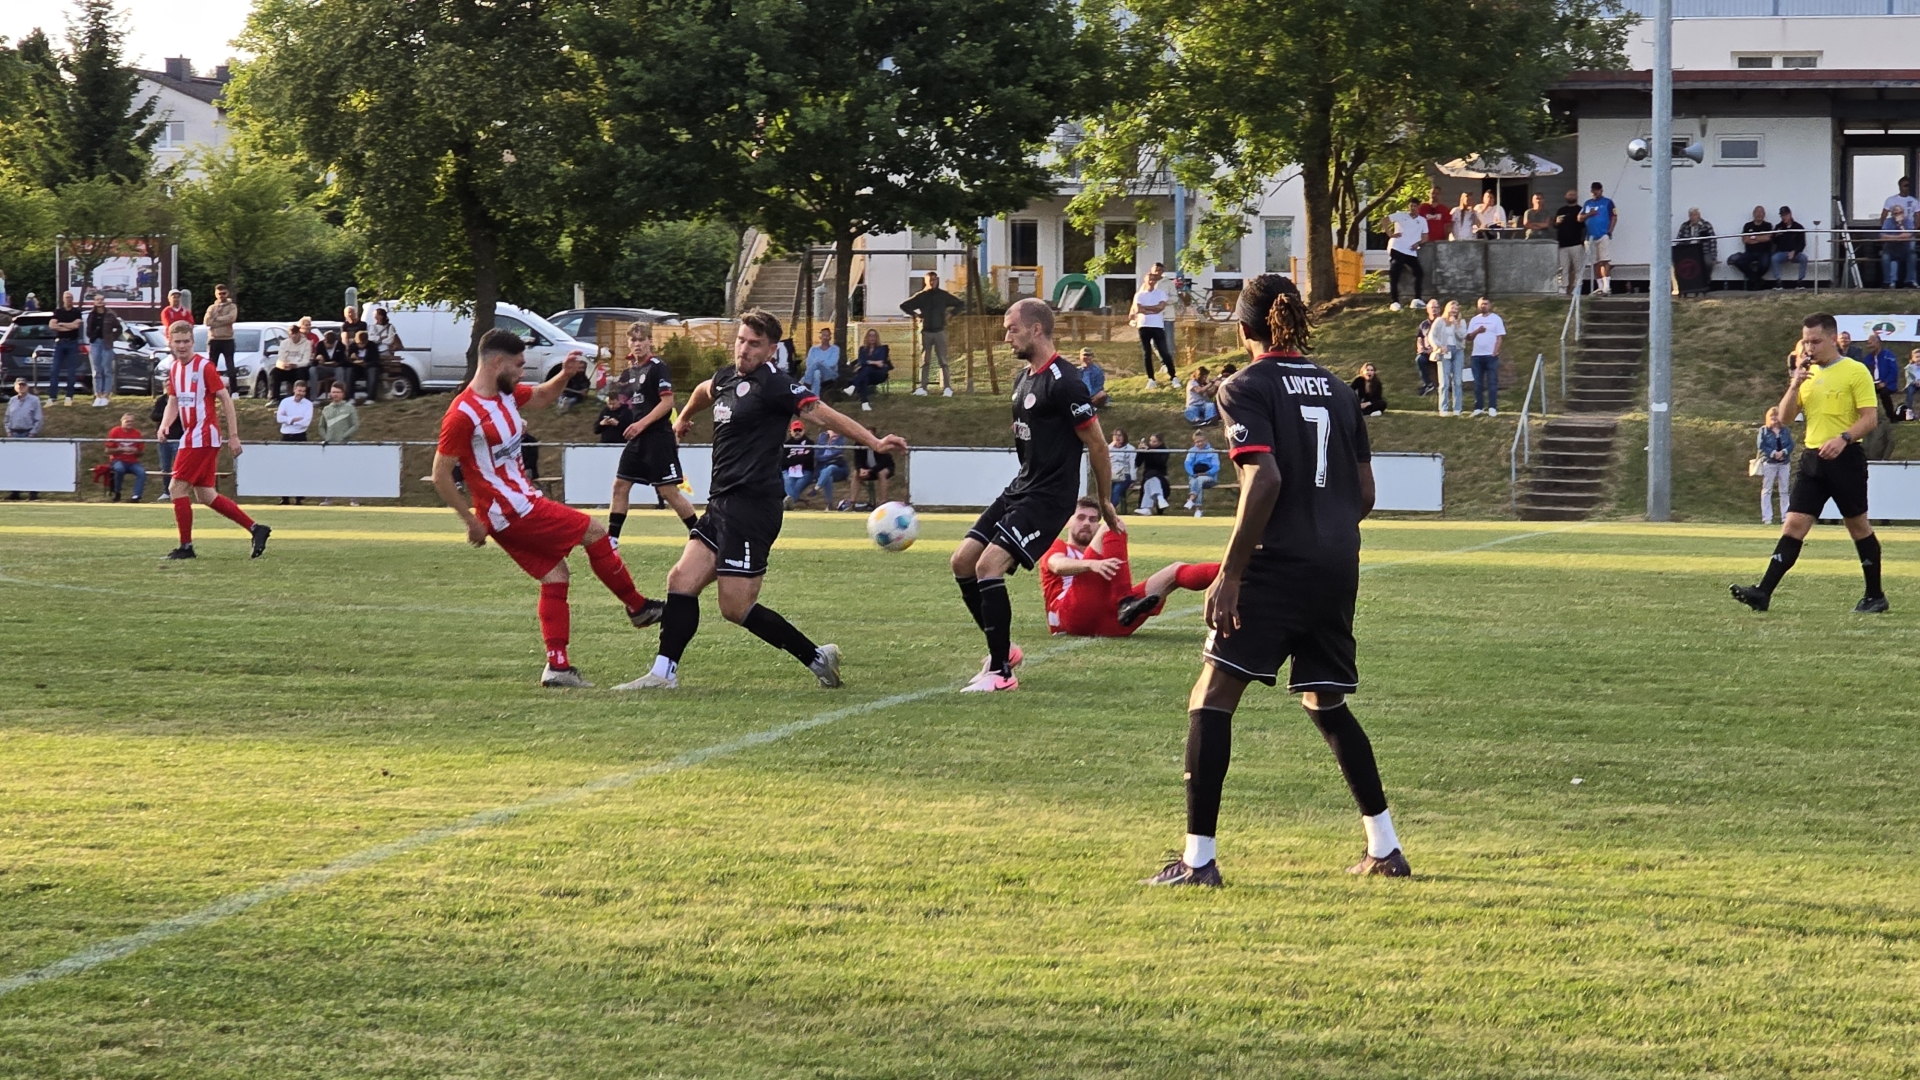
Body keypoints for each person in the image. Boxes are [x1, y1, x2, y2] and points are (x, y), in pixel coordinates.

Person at [1144, 272, 1405, 888]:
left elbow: (1264, 479)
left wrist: (1231, 574)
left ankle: (1198, 861)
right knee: (1325, 701)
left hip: (1276, 564)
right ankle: (1385, 848)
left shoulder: (1243, 387)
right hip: (1337, 565)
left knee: (1211, 697)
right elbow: (1365, 492)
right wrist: (1325, 531)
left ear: (1244, 328)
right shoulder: (1341, 390)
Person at [620, 309, 907, 691]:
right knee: (681, 580)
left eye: (754, 344)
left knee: (734, 607)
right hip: (721, 503)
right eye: (741, 340)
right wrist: (683, 417)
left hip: (753, 508)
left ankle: (816, 657)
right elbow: (704, 390)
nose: (744, 349)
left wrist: (873, 441)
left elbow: (822, 414)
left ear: (771, 350)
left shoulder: (776, 385)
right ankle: (663, 674)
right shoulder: (726, 377)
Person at [431, 330, 663, 687]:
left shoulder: (504, 394)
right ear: (497, 363)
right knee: (594, 531)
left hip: (511, 509)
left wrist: (566, 374)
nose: (522, 372)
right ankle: (637, 607)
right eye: (518, 365)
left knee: (555, 575)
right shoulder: (463, 414)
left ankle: (557, 667)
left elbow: (541, 397)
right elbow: (440, 473)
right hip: (513, 509)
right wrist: (469, 521)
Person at [950, 297, 1119, 693]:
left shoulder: (1066, 382)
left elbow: (1097, 444)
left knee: (988, 566)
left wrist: (1105, 500)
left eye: (1012, 329)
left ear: (1036, 329)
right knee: (962, 562)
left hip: (1049, 498)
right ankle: (1004, 651)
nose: (1006, 337)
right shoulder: (1022, 380)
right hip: (1022, 488)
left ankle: (1001, 675)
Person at [1731, 312, 1886, 615]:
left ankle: (1875, 595)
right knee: (1793, 524)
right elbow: (1785, 418)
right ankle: (1763, 592)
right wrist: (1794, 385)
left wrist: (1843, 438)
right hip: (1813, 460)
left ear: (1833, 338)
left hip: (1846, 458)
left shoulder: (1855, 371)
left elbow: (1870, 419)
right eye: (1806, 342)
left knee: (1857, 526)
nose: (1810, 348)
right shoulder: (1806, 375)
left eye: (1816, 341)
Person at [157, 319, 271, 560]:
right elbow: (173, 401)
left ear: (193, 342)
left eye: (186, 341)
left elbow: (225, 399)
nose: (182, 346)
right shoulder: (175, 368)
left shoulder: (204, 367)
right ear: (170, 343)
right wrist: (165, 424)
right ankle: (256, 528)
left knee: (176, 488)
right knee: (206, 495)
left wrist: (234, 436)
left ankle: (186, 547)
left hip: (203, 436)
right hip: (192, 436)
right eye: (177, 342)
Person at [1039, 497, 1221, 637]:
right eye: (1081, 517)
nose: (1087, 523)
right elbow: (1057, 565)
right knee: (1113, 523)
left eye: (1093, 519)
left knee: (1175, 571)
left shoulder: (1101, 551)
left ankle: (1233, 571)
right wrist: (1091, 564)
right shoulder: (1058, 545)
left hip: (1112, 622)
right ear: (1068, 521)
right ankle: (1125, 601)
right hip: (1070, 617)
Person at [606, 323, 697, 541]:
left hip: (658, 437)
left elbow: (667, 402)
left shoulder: (658, 367)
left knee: (668, 492)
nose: (637, 344)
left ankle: (703, 535)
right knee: (620, 486)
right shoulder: (629, 372)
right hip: (638, 439)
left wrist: (641, 424)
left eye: (641, 339)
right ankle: (611, 542)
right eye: (633, 340)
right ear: (628, 342)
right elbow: (628, 403)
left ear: (650, 341)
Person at [900, 271, 964, 396]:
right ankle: (923, 388)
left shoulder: (943, 295)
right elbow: (904, 305)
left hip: (940, 330)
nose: (932, 282)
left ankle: (947, 387)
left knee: (943, 361)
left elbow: (960, 303)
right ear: (925, 281)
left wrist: (951, 314)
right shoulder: (921, 296)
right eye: (930, 280)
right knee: (925, 361)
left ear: (937, 280)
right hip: (926, 331)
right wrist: (915, 315)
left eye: (934, 279)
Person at [1132, 262, 1176, 387]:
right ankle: (1157, 371)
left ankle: (1170, 370)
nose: (1158, 272)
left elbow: (1172, 299)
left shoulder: (1168, 284)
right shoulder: (1143, 287)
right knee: (1151, 347)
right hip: (1146, 322)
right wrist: (1135, 315)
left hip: (1166, 317)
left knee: (1167, 344)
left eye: (1160, 270)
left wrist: (1163, 303)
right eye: (1156, 270)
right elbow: (1137, 305)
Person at [315, 383, 359, 506]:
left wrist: (344, 436)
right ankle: (328, 499)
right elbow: (321, 427)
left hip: (345, 445)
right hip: (330, 447)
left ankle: (353, 499)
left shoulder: (349, 408)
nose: (335, 394)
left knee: (348, 472)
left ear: (343, 394)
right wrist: (326, 438)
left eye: (338, 392)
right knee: (329, 472)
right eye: (333, 392)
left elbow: (355, 425)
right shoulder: (326, 409)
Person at [274, 381, 314, 505]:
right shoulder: (285, 402)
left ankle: (299, 497)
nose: (301, 393)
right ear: (294, 389)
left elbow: (306, 422)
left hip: (300, 436)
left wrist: (287, 420)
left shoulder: (308, 404)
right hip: (286, 436)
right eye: (299, 390)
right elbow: (279, 418)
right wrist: (293, 419)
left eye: (303, 391)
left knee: (300, 467)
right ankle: (284, 497)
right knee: (284, 467)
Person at [1465, 296, 1505, 416]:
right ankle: (1478, 407)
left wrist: (1495, 351)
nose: (1483, 306)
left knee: (1492, 382)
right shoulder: (1474, 320)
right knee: (1478, 383)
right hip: (1476, 356)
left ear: (1490, 305)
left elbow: (1500, 336)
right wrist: (1477, 331)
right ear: (1478, 306)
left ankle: (1492, 407)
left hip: (1490, 356)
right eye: (1481, 304)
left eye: (1486, 304)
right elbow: (1469, 337)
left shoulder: (1496, 319)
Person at [6, 378, 43, 501]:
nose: (21, 387)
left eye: (23, 385)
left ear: (27, 386)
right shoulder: (12, 400)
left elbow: (38, 418)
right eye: (19, 385)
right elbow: (7, 418)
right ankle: (15, 492)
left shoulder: (34, 400)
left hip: (28, 433)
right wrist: (8, 431)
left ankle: (33, 492)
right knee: (15, 465)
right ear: (15, 387)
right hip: (14, 434)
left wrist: (33, 432)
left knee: (31, 464)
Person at [1386, 196, 1426, 308]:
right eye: (1411, 206)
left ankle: (1417, 300)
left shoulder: (1422, 220)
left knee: (1419, 273)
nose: (1413, 208)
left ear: (1418, 207)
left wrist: (1418, 243)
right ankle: (1394, 301)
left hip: (1410, 252)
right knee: (1395, 273)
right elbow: (1384, 220)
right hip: (1397, 248)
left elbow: (1425, 237)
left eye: (1415, 206)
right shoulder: (1401, 215)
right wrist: (1389, 233)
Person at [1579, 182, 1618, 295]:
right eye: (1593, 190)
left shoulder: (1608, 202)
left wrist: (1609, 231)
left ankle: (1607, 286)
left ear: (1601, 190)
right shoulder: (1587, 203)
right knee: (1594, 262)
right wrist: (1589, 214)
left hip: (1602, 235)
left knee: (1604, 260)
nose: (1594, 192)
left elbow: (1614, 217)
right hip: (1590, 237)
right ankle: (1600, 286)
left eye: (1597, 190)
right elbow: (1579, 218)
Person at [1431, 299, 1468, 417]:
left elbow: (1463, 336)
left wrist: (1456, 326)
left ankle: (1457, 409)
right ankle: (1443, 408)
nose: (1454, 311)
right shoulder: (1440, 321)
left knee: (1457, 381)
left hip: (1458, 351)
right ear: (1447, 309)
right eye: (1452, 308)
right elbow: (1431, 336)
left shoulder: (1461, 322)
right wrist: (1439, 346)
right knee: (1444, 381)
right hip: (1444, 351)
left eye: (1456, 309)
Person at [1757, 407, 1793, 526]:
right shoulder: (1764, 430)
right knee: (1767, 490)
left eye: (1776, 415)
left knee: (1784, 490)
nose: (1774, 418)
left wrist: (1784, 452)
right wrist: (1773, 453)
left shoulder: (1785, 430)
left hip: (1784, 463)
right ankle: (1767, 518)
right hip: (1769, 462)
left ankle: (1785, 517)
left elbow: (1791, 444)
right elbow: (1761, 445)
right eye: (1772, 416)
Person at [85, 294, 122, 407]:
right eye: (97, 300)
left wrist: (112, 337)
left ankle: (106, 394)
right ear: (94, 302)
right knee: (97, 370)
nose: (99, 301)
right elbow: (88, 330)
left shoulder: (110, 314)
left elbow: (119, 328)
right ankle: (98, 394)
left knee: (107, 369)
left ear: (104, 301)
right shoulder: (91, 315)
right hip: (95, 343)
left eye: (101, 299)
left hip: (107, 344)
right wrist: (92, 336)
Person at [49, 291, 83, 406]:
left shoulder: (77, 312)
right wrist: (68, 326)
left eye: (70, 297)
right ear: (63, 299)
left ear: (72, 299)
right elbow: (52, 325)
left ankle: (69, 397)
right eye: (66, 297)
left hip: (72, 343)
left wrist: (61, 324)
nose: (68, 299)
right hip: (60, 343)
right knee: (55, 370)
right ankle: (52, 397)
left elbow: (76, 325)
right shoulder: (58, 312)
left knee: (71, 371)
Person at [845, 328, 892, 410]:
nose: (872, 338)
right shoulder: (862, 349)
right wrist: (874, 362)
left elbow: (880, 363)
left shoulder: (882, 349)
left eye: (874, 336)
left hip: (879, 374)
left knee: (866, 369)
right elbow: (861, 361)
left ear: (877, 337)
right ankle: (865, 403)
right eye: (870, 336)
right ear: (866, 337)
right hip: (866, 375)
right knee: (864, 376)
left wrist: (868, 362)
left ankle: (853, 386)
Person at [1552, 190, 1587, 296]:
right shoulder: (1561, 210)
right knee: (1563, 268)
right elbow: (1554, 225)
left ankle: (1577, 288)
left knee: (1578, 268)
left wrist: (1583, 240)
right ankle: (1562, 288)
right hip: (1563, 244)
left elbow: (1584, 226)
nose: (1571, 196)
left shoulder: (1580, 210)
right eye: (1569, 195)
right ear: (1565, 196)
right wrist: (1557, 222)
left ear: (1576, 196)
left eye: (1573, 195)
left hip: (1576, 244)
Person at [1730, 205, 1774, 287]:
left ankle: (1754, 280)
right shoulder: (1748, 226)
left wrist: (1753, 237)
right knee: (1739, 262)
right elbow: (1745, 240)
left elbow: (1767, 238)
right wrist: (1760, 238)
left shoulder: (1768, 225)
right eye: (1757, 212)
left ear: (1764, 214)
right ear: (1753, 214)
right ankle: (1757, 280)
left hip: (1764, 252)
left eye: (1761, 212)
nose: (1759, 214)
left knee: (1764, 265)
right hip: (1750, 252)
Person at [106, 413, 146, 502]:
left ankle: (136, 496)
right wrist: (121, 449)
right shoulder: (115, 431)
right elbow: (107, 450)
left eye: (132, 421)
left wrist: (136, 451)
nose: (130, 423)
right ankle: (117, 492)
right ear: (122, 422)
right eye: (127, 421)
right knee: (119, 469)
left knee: (141, 472)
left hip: (132, 461)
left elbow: (141, 452)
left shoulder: (137, 433)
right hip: (117, 459)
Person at [203, 284, 238, 385]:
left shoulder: (232, 306)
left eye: (223, 293)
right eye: (219, 293)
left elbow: (231, 319)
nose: (221, 295)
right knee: (212, 366)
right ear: (216, 294)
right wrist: (222, 320)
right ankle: (210, 387)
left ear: (227, 293)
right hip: (214, 339)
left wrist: (216, 319)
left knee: (230, 366)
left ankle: (233, 390)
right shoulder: (212, 308)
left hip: (227, 339)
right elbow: (207, 322)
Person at [272, 322, 313, 401]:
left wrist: (295, 365)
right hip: (286, 368)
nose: (293, 336)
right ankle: (275, 398)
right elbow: (281, 358)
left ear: (299, 333)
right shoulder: (284, 343)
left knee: (302, 372)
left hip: (299, 368)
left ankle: (301, 396)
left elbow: (306, 361)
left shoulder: (307, 343)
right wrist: (284, 365)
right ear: (289, 335)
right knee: (275, 372)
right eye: (291, 334)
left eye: (295, 334)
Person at [1863, 332, 1899, 419]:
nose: (1869, 346)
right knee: (1865, 394)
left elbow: (1894, 371)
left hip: (1888, 384)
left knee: (1884, 393)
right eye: (1868, 344)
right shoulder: (1868, 358)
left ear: (1878, 343)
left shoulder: (1888, 355)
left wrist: (1885, 382)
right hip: (1873, 383)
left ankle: (1891, 417)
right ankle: (1870, 417)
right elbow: (1866, 372)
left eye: (1870, 343)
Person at [1134, 432, 1172, 515]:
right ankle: (1159, 497)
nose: (1151, 443)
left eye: (1154, 441)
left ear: (1160, 442)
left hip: (1161, 476)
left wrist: (1149, 451)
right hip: (1148, 476)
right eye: (1150, 440)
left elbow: (1159, 463)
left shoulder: (1164, 450)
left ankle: (1146, 507)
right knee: (1150, 479)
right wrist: (1140, 452)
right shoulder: (1147, 449)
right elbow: (1137, 463)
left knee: (1150, 479)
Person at [812, 428, 850, 509]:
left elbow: (838, 452)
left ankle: (816, 487)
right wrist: (829, 456)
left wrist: (834, 441)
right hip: (822, 469)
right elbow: (817, 456)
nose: (834, 433)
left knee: (830, 468)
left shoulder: (840, 438)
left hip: (838, 468)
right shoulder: (822, 438)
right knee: (828, 476)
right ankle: (829, 504)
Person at [1184, 429, 1220, 516]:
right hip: (1195, 475)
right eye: (1197, 442)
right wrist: (1193, 473)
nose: (1199, 443)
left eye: (1201, 441)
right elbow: (1187, 464)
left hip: (1209, 477)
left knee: (1199, 480)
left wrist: (1206, 473)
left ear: (1206, 440)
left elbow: (1216, 467)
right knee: (1197, 481)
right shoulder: (1192, 451)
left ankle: (1192, 499)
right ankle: (1198, 509)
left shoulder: (1212, 451)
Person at [1770, 206, 1808, 287]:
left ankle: (1800, 281)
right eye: (1782, 215)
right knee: (1774, 258)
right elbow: (1773, 241)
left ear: (1790, 214)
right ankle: (1778, 282)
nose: (1784, 217)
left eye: (1785, 215)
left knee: (1804, 258)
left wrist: (1795, 252)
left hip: (1795, 252)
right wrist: (1775, 236)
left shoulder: (1798, 227)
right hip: (1782, 252)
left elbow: (1802, 243)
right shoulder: (1778, 227)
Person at [781, 419, 816, 507]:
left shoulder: (809, 443)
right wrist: (800, 458)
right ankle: (792, 503)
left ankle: (787, 503)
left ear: (803, 430)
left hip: (805, 471)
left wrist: (792, 459)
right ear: (790, 431)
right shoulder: (786, 444)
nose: (797, 432)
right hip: (788, 471)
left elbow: (808, 459)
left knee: (798, 485)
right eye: (795, 430)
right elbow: (783, 462)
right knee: (788, 481)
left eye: (799, 430)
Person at [1881, 205, 1916, 289]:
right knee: (1885, 257)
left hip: (1905, 250)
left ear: (1903, 213)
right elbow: (1882, 236)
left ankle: (1910, 281)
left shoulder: (1908, 221)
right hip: (1891, 249)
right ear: (1892, 214)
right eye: (1895, 213)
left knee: (1913, 256)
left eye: (1900, 212)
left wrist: (1901, 226)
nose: (1898, 215)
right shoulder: (1888, 221)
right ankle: (1888, 282)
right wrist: (1898, 238)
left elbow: (1908, 236)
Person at [802, 326, 841, 398]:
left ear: (830, 337)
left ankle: (805, 383)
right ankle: (815, 398)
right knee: (817, 373)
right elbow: (808, 364)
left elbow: (832, 363)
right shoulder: (813, 349)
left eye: (827, 335)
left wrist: (820, 364)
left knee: (817, 363)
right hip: (815, 373)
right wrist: (819, 364)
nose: (825, 337)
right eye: (824, 335)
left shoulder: (835, 349)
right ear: (820, 337)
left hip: (830, 374)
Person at [1414, 299, 1439, 396]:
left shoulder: (1442, 322)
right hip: (1427, 352)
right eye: (1431, 308)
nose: (1434, 309)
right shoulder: (1424, 324)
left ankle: (1444, 384)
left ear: (1439, 309)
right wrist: (1420, 347)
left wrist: (1435, 349)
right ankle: (1428, 384)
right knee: (1419, 359)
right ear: (1427, 310)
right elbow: (1419, 337)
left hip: (1439, 351)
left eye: (1436, 307)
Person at [348, 330, 380, 403]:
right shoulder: (352, 346)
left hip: (369, 367)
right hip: (357, 368)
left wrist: (366, 364)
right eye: (359, 343)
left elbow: (376, 360)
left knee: (373, 372)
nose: (361, 345)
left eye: (363, 343)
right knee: (349, 372)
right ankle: (350, 397)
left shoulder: (372, 346)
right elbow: (348, 361)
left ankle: (370, 398)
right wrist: (352, 359)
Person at [1108, 428, 1135, 512]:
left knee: (1116, 490)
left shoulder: (1130, 449)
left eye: (1120, 435)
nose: (1117, 437)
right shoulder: (1109, 448)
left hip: (1124, 474)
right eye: (1115, 435)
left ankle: (1110, 510)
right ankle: (1106, 509)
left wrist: (1133, 479)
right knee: (1106, 492)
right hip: (1111, 475)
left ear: (1124, 437)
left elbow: (1132, 465)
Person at [1906, 348, 1920, 416]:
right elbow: (1908, 378)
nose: (1919, 359)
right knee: (1910, 391)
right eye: (1917, 357)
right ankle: (1909, 410)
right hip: (1913, 384)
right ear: (1912, 358)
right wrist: (1915, 382)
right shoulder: (1909, 368)